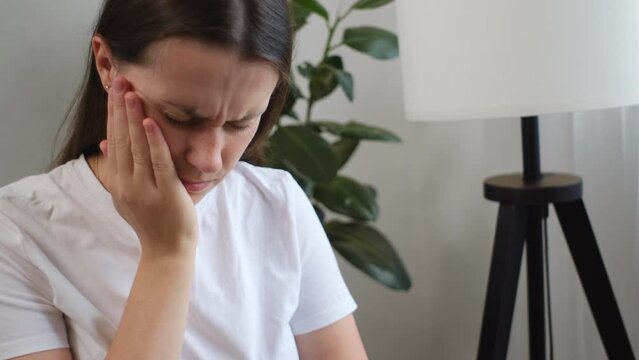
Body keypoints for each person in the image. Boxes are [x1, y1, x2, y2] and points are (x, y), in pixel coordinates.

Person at [0, 0, 368, 359]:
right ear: (107, 64)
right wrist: (168, 253)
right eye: (180, 117)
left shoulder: (277, 203)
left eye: (240, 123)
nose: (208, 160)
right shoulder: (16, 233)